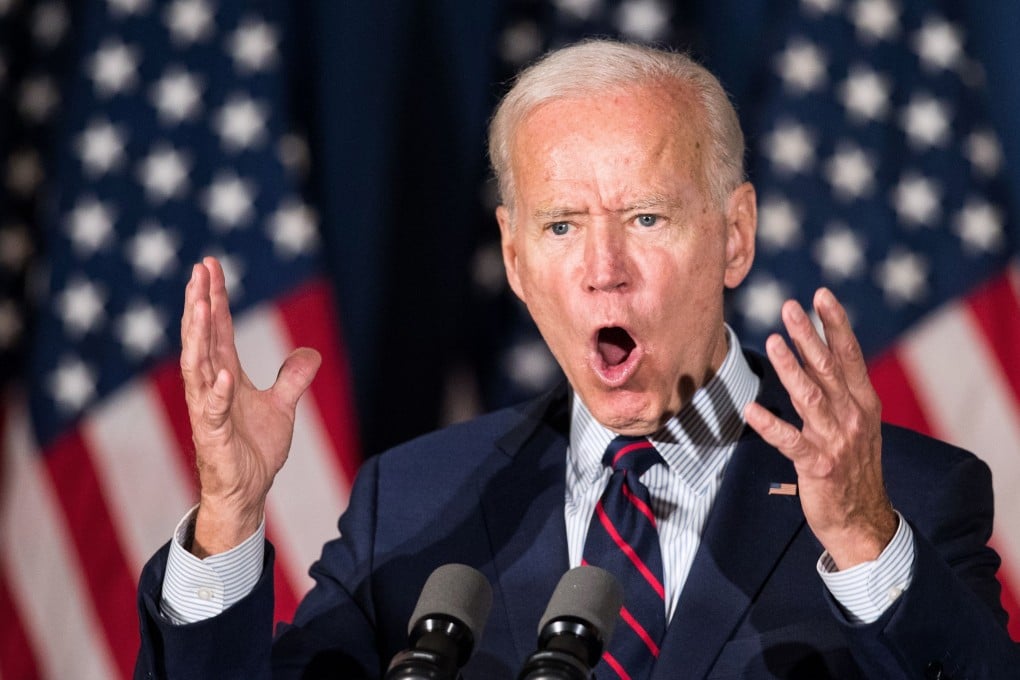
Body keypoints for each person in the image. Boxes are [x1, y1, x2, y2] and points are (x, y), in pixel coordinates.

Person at [135, 39, 1018, 679]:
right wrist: (229, 519)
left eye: (646, 218)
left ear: (735, 236)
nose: (604, 270)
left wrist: (864, 542)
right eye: (562, 227)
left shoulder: (905, 498)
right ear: (516, 260)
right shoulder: (407, 505)